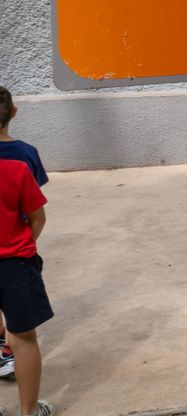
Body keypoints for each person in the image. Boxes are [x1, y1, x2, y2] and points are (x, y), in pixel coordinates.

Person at [0, 87, 56, 416]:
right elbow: (38, 215)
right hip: (15, 264)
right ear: (13, 113)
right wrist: (25, 244)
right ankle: (29, 411)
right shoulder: (19, 167)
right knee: (23, 339)